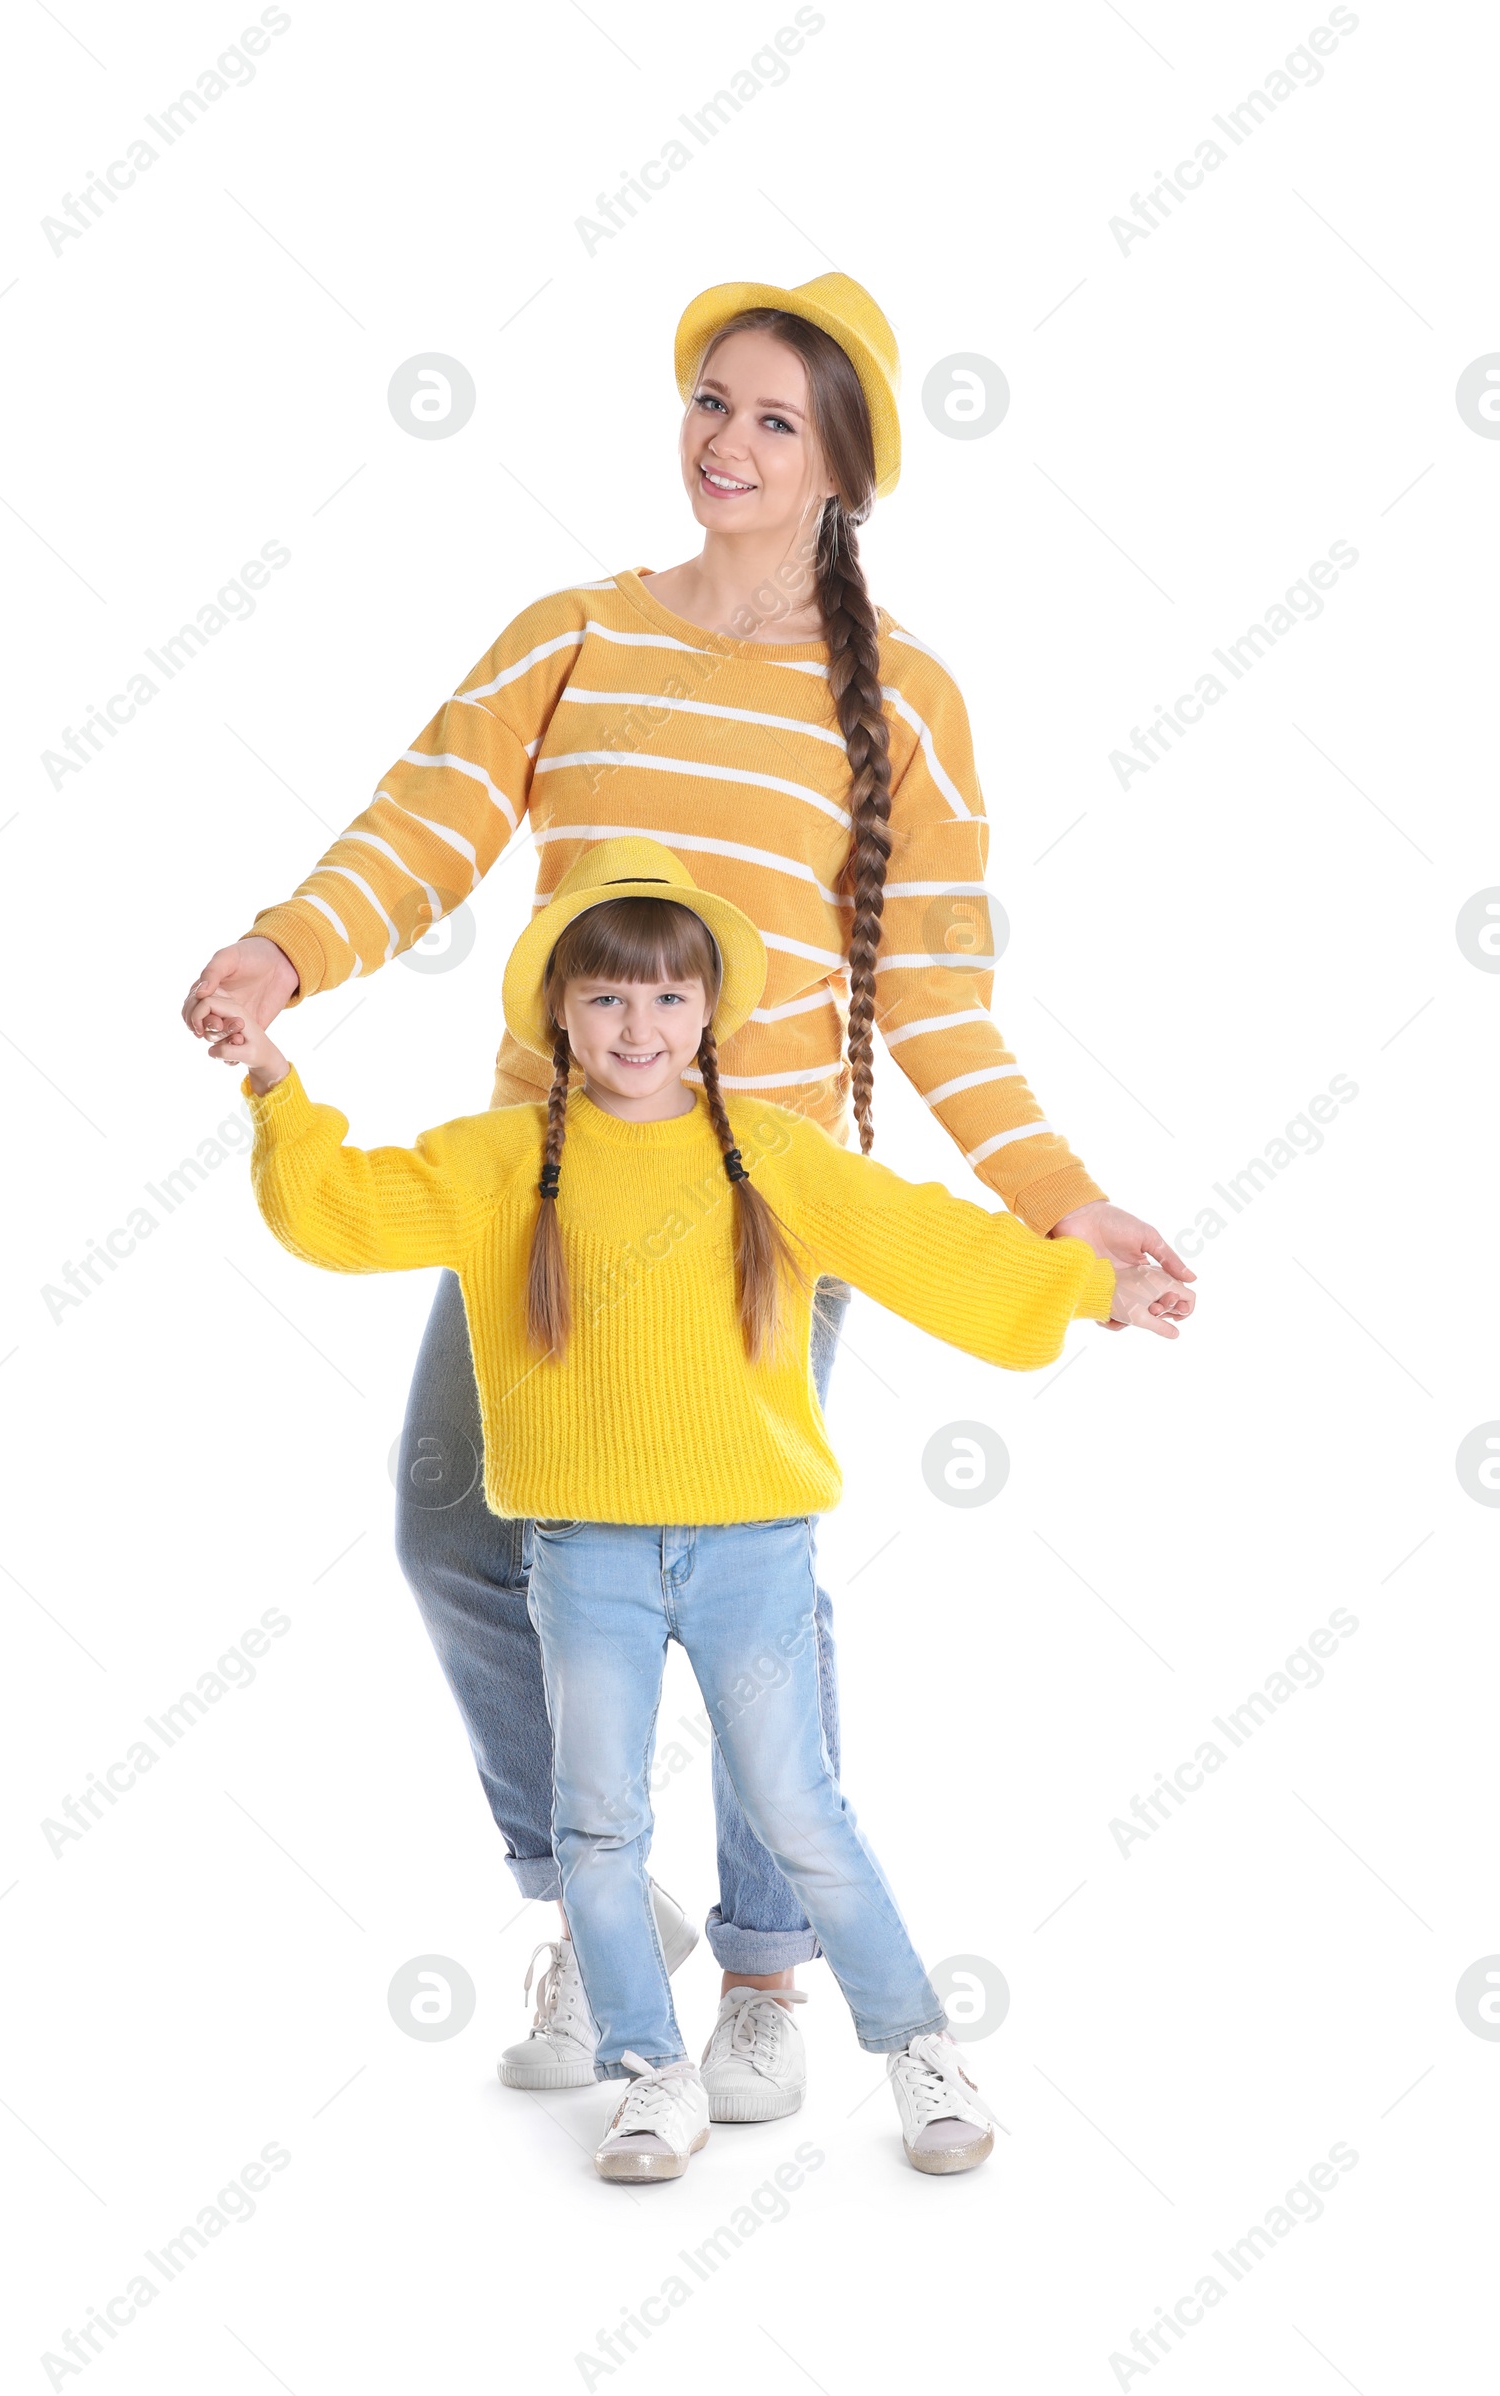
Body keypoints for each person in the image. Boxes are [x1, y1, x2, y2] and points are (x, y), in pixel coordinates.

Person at [184, 271, 1196, 2116]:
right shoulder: (570, 634)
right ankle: (591, 1905)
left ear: (844, 467)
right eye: (709, 403)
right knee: (454, 1527)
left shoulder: (911, 705)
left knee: (748, 1595)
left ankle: (759, 1967)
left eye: (774, 421)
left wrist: (1064, 1202)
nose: (726, 444)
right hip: (549, 1191)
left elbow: (941, 1000)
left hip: (760, 1211)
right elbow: (422, 826)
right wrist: (282, 952)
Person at [224, 837, 1185, 2179]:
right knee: (598, 1827)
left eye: (671, 998)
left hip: (752, 1553)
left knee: (800, 1811)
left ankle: (916, 2047)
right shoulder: (505, 1161)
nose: (639, 1027)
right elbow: (339, 1212)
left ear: (710, 1013)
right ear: (559, 1009)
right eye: (608, 998)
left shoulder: (774, 1159)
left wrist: (1093, 1291)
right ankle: (645, 2068)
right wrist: (277, 1081)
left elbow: (930, 1243)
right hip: (582, 1557)